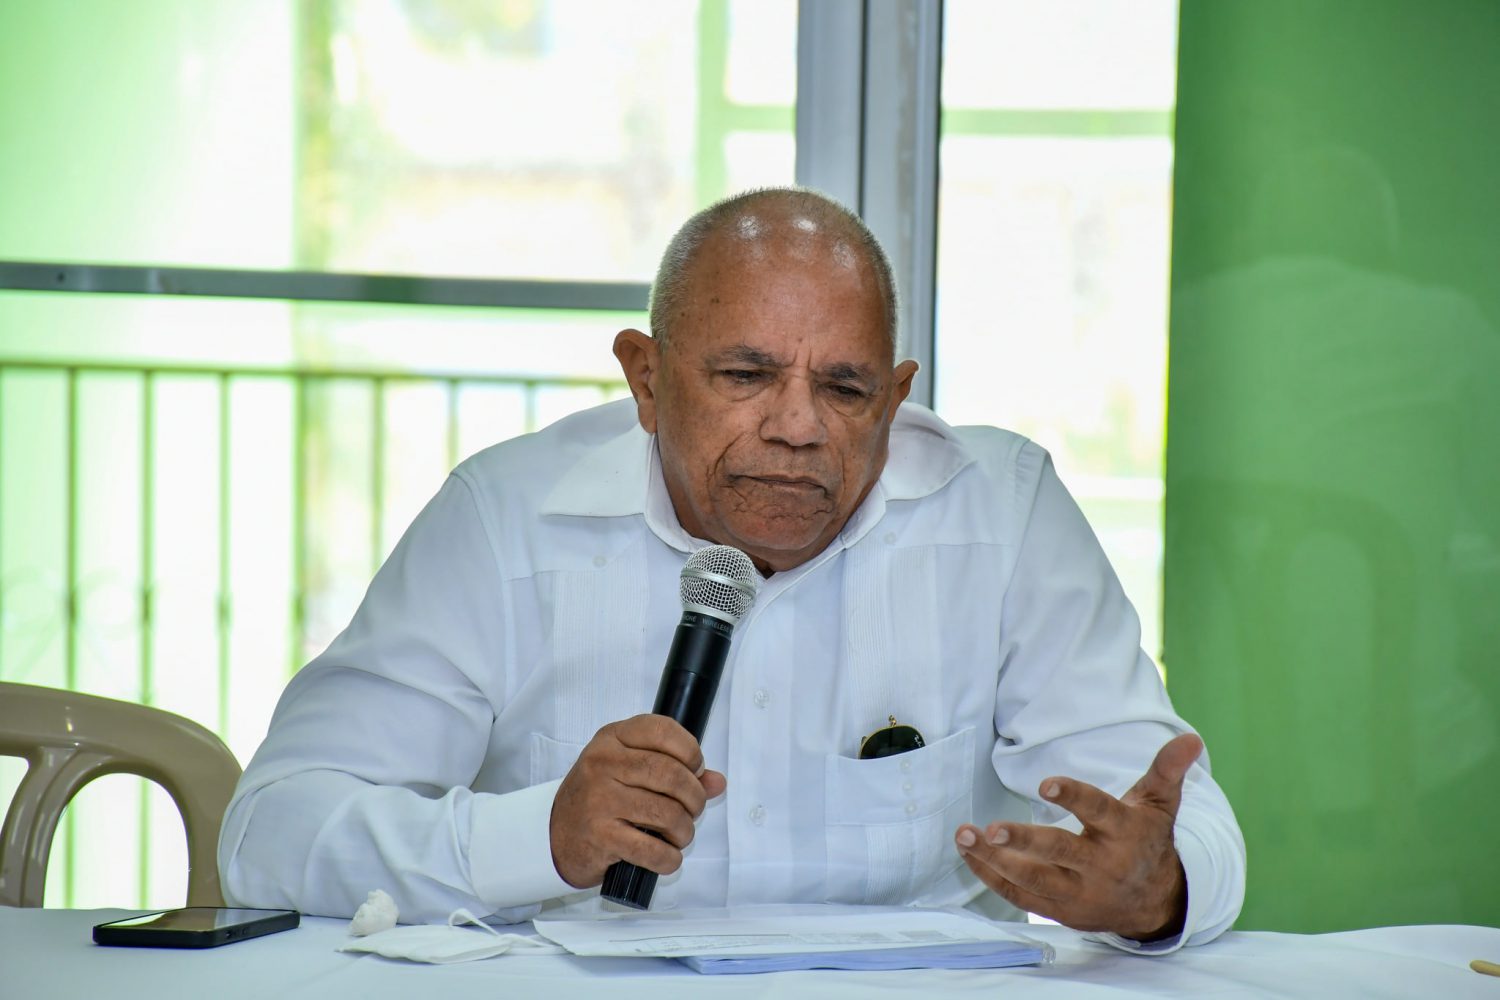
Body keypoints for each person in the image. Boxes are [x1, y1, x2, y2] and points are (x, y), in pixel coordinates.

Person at [219, 187, 1245, 952]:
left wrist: (1157, 892)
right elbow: (269, 830)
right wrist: (543, 835)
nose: (797, 427)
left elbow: (1181, 824)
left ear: (894, 403)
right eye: (747, 375)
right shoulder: (505, 519)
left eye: (844, 389)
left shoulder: (1001, 514)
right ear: (647, 378)